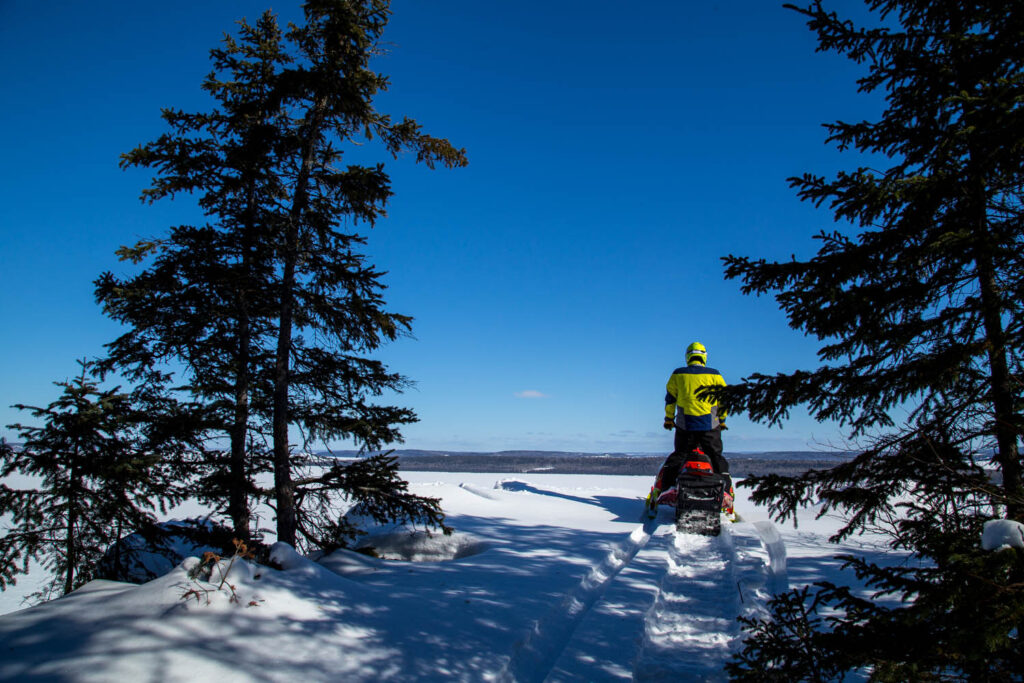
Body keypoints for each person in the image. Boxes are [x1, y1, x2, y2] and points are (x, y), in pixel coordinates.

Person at [646, 341, 733, 515]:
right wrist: (722, 419)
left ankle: (666, 488)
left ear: (688, 356)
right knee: (716, 458)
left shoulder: (678, 374)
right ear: (703, 356)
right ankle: (725, 491)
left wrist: (669, 419)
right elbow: (724, 399)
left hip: (686, 426)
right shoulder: (715, 375)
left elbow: (670, 399)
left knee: (678, 457)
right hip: (710, 426)